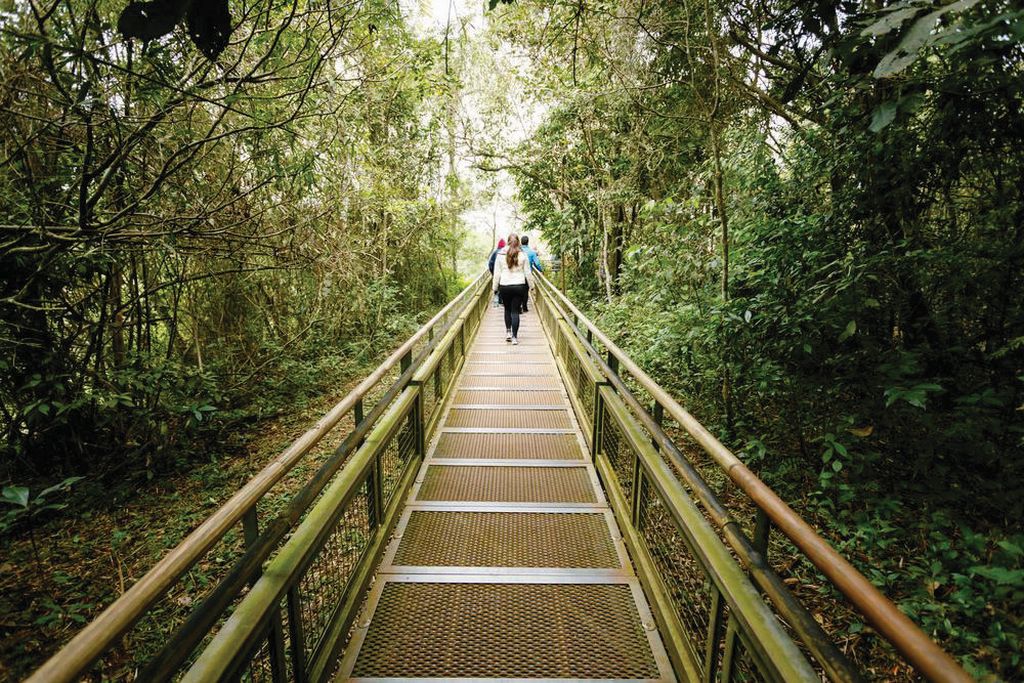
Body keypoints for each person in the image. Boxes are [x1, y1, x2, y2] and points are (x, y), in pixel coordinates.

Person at [492, 233, 532, 344]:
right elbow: (528, 273)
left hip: (504, 286)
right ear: (518, 242)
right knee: (515, 311)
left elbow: (497, 274)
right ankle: (514, 337)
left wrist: (494, 288)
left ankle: (508, 332)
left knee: (507, 309)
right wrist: (532, 286)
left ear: (507, 241)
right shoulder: (523, 254)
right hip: (519, 285)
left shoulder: (500, 254)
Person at [519, 235, 543, 313]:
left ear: (521, 242)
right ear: (527, 242)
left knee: (519, 290)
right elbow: (537, 263)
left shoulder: (517, 251)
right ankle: (525, 306)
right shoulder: (532, 252)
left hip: (517, 274)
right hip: (527, 274)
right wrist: (541, 270)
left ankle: (519, 305)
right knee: (525, 291)